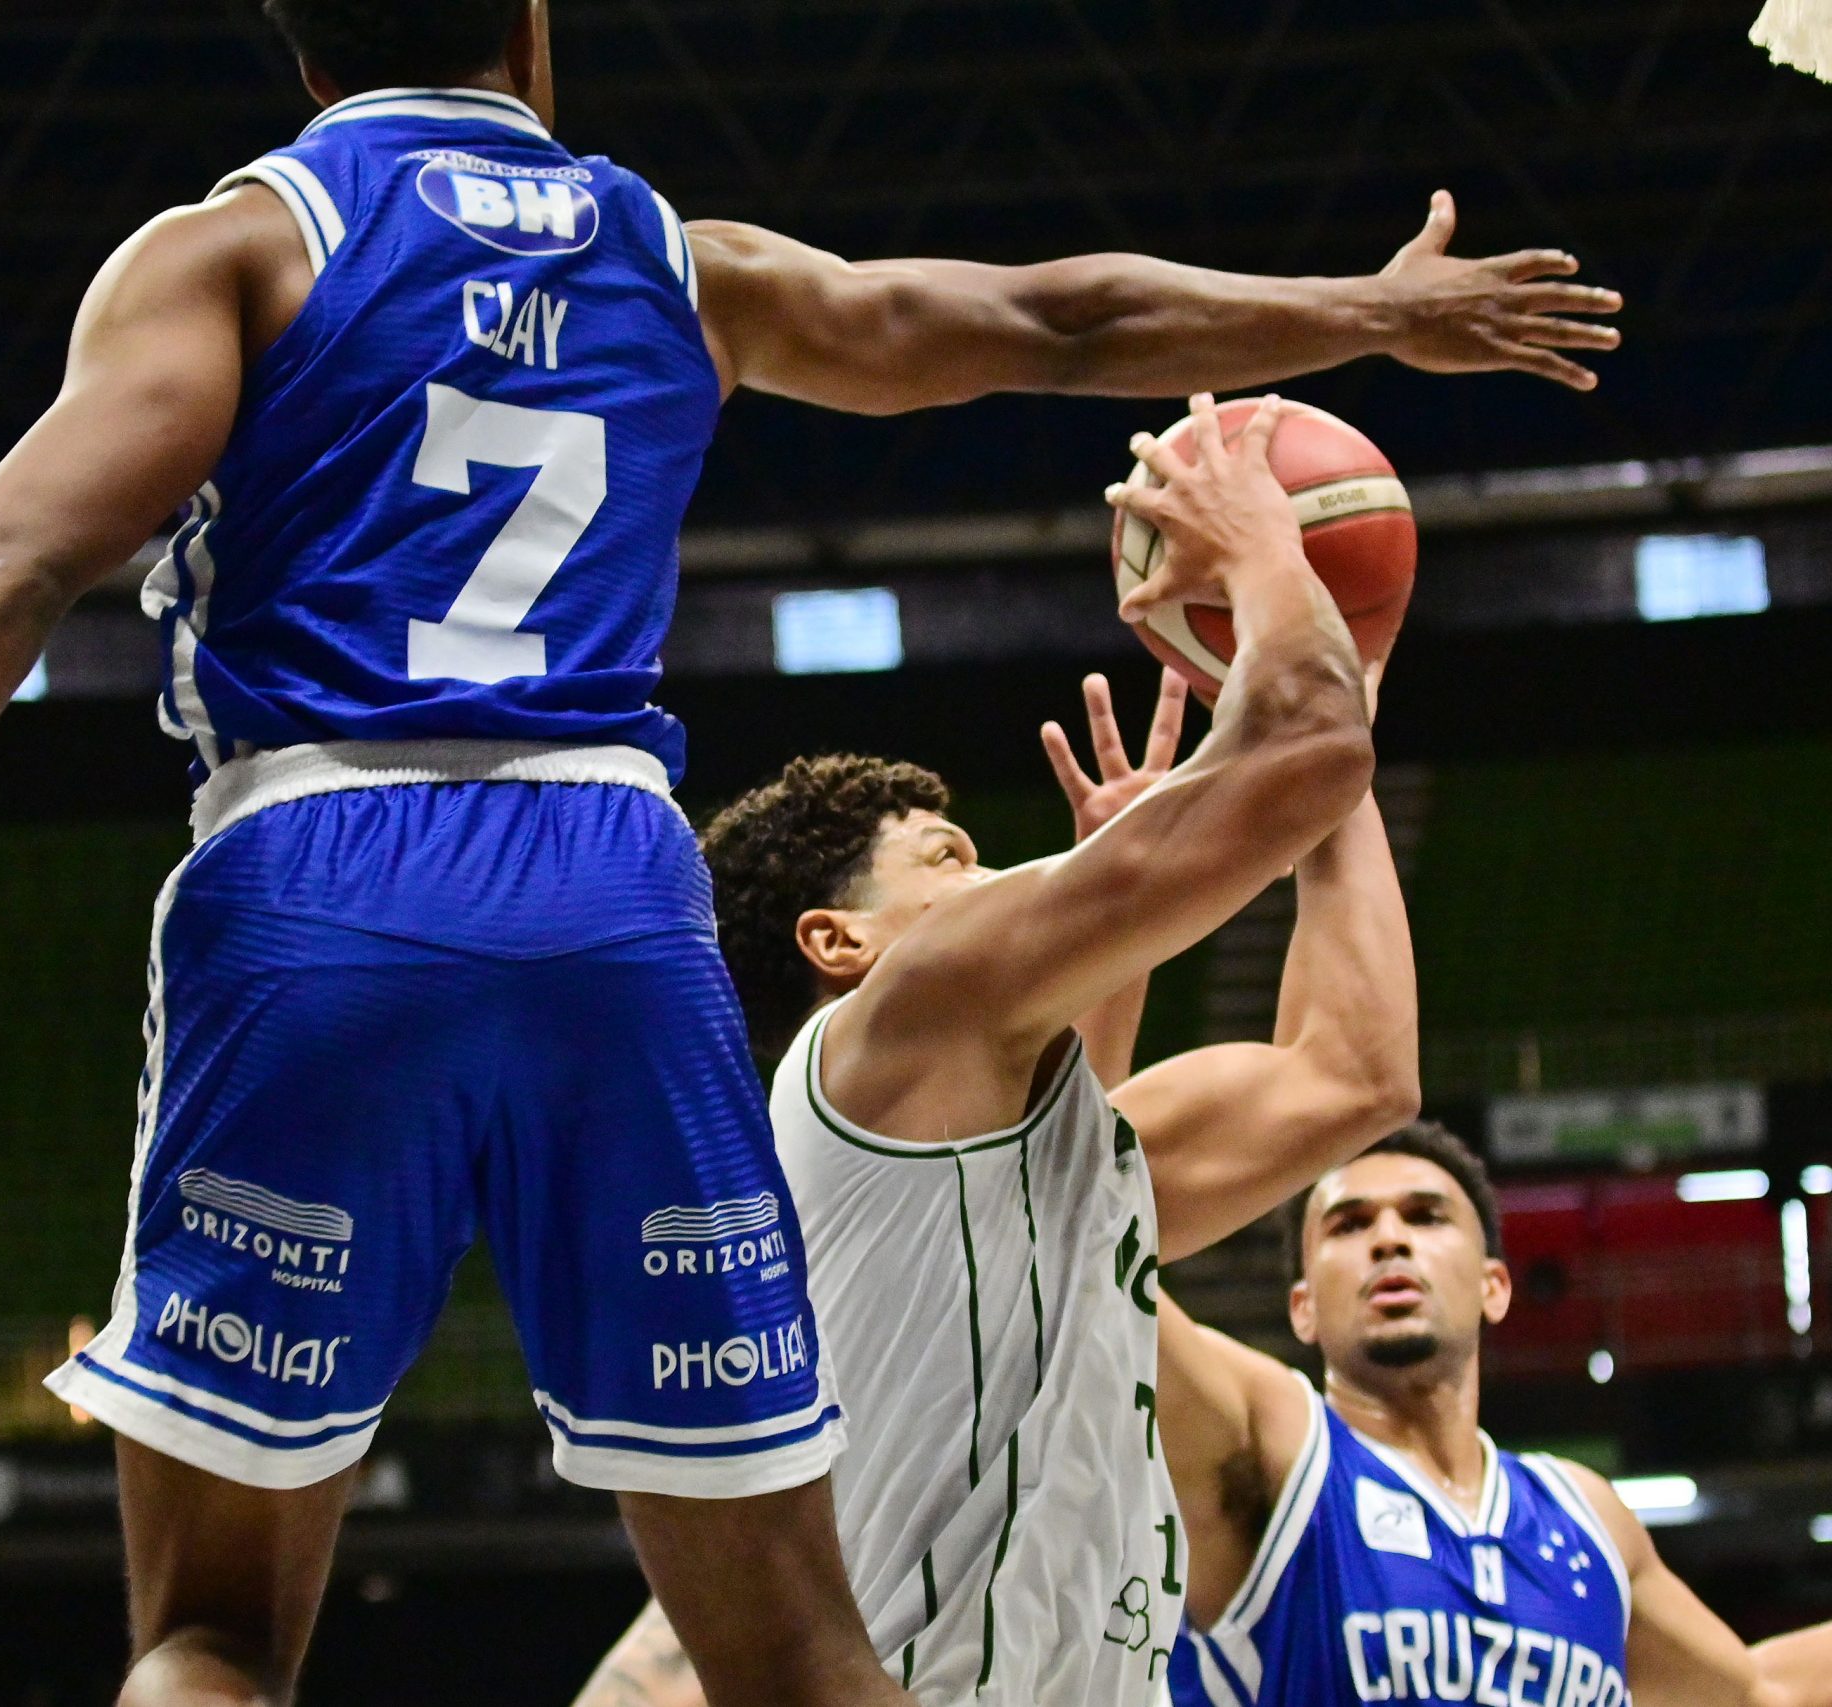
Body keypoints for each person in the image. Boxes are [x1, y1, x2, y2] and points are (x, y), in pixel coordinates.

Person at [0, 0, 1615, 1699]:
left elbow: (3, 562)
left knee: (213, 1634)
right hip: (615, 891)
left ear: (307, 54)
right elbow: (1056, 317)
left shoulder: (245, 244)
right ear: (533, 31)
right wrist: (1370, 315)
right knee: (801, 1652)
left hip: (320, 865)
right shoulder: (682, 261)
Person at [578, 394, 1421, 1706]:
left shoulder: (1010, 1172)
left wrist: (1328, 705)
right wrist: (1273, 559)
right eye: (950, 859)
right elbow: (1302, 748)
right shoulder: (898, 1015)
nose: (1003, 880)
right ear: (841, 941)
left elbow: (1354, 1071)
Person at [1158, 1122, 1832, 1707]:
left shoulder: (1584, 1518)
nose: (1388, 1238)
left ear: (1494, 1286)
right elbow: (1096, 1271)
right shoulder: (1270, 1441)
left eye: (1425, 1216)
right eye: (1348, 1224)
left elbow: (1760, 1697)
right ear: (1302, 1305)